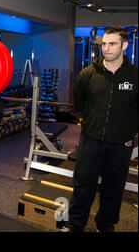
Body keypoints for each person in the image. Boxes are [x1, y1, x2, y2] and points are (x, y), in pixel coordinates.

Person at [64, 27, 138, 232]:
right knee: (82, 186)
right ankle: (75, 225)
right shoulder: (88, 74)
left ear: (124, 45)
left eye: (112, 44)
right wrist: (91, 123)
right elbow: (80, 102)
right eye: (103, 44)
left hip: (120, 144)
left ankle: (105, 226)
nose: (106, 48)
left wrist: (129, 131)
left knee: (113, 189)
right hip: (91, 141)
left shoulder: (134, 76)